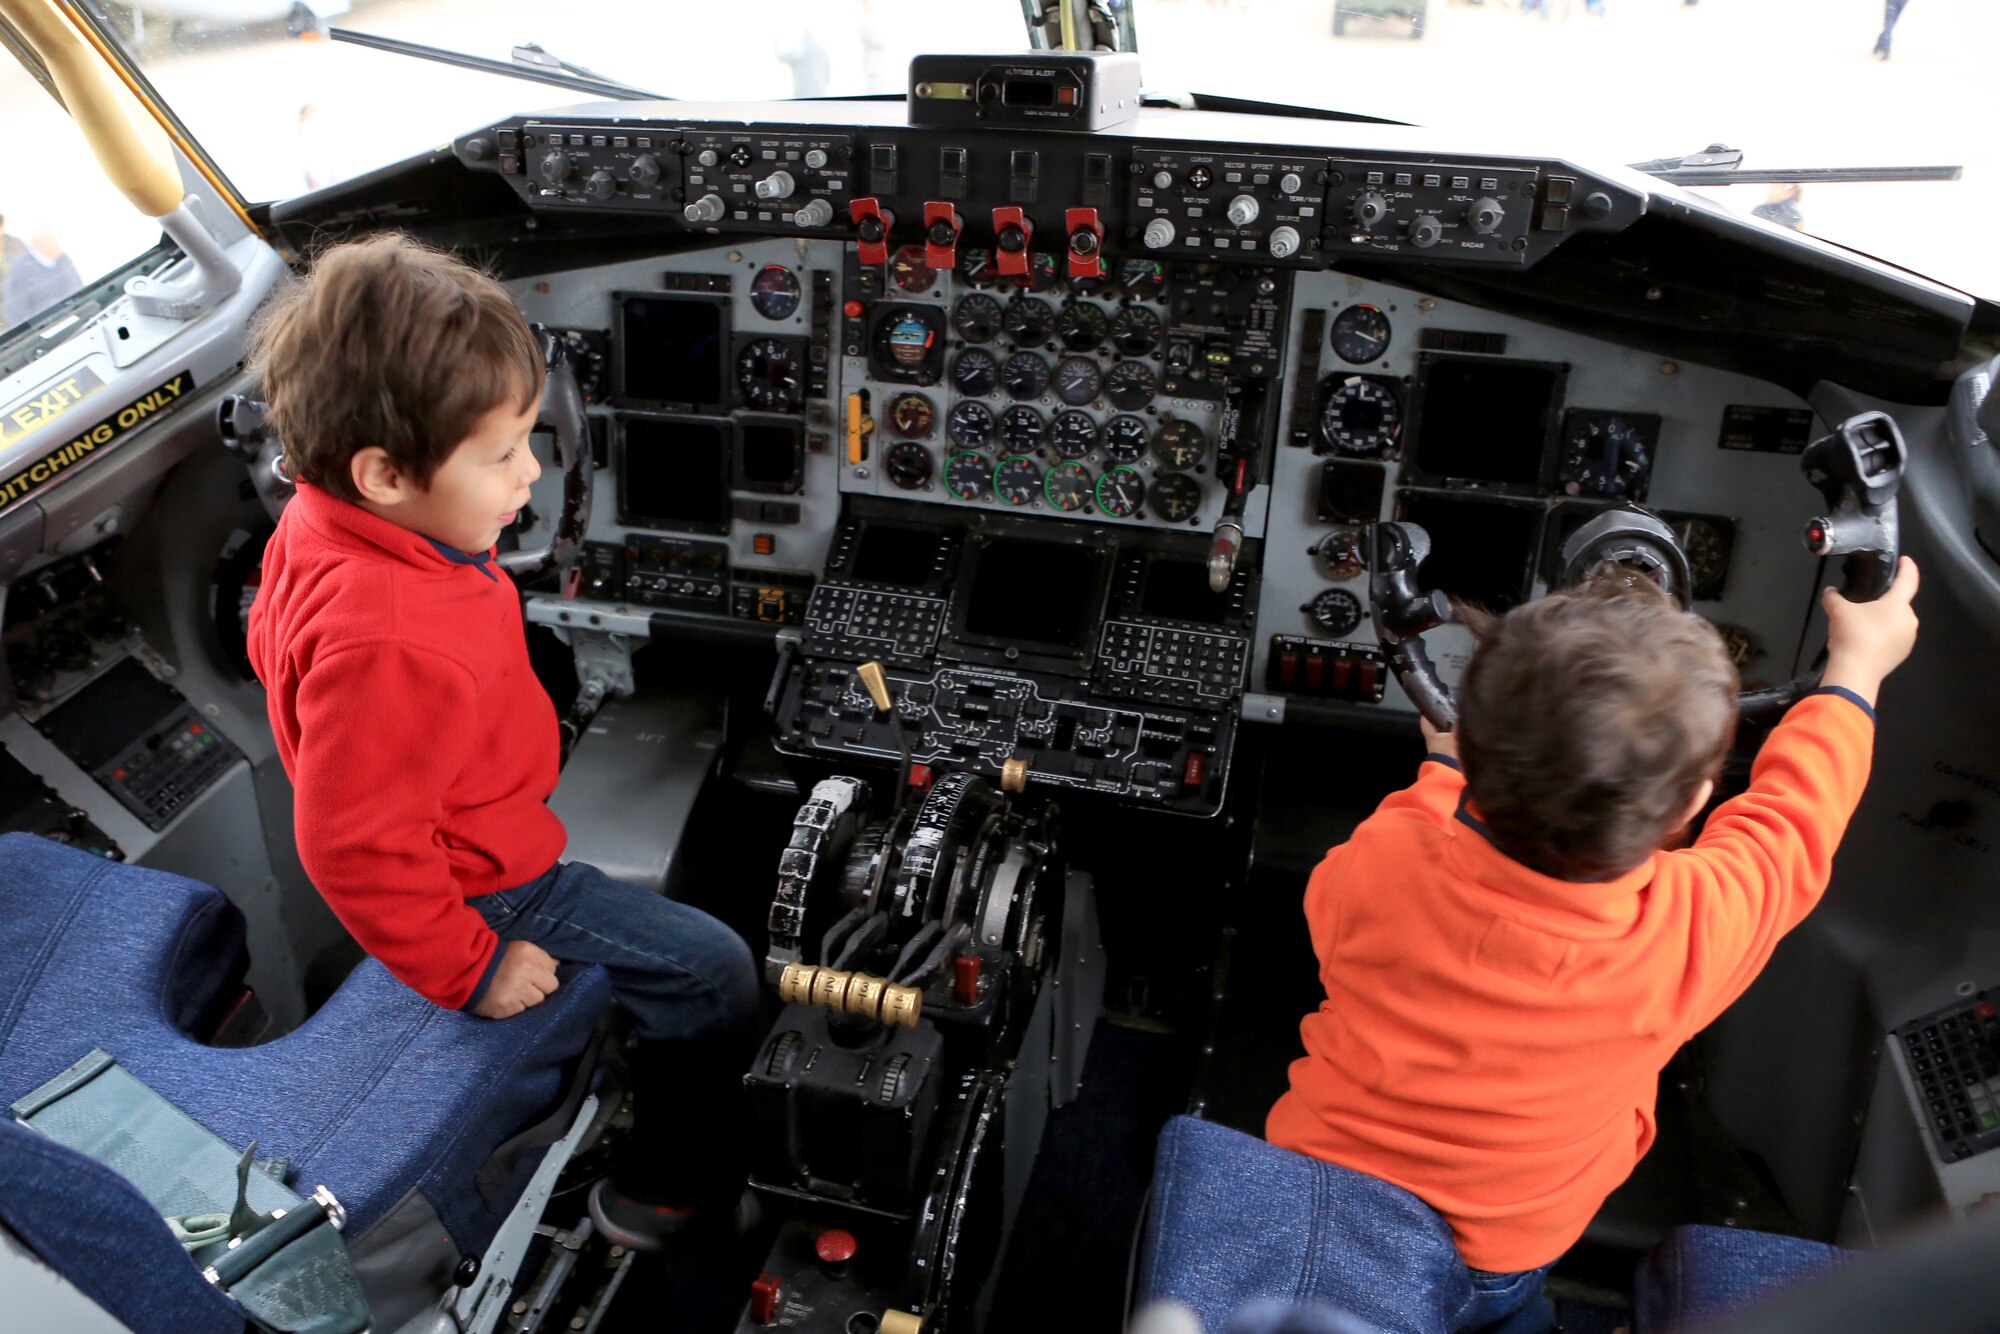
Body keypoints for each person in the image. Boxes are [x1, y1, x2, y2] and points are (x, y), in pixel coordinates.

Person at [244, 234, 760, 1251]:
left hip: (464, 807)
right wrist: (469, 965)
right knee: (714, 970)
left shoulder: (322, 517)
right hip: (488, 880)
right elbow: (351, 844)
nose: (533, 469)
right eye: (500, 454)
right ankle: (663, 1189)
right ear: (385, 471)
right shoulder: (389, 639)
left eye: (529, 437)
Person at [1267, 559, 1921, 1331]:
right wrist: (1854, 670)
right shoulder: (1689, 930)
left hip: (1310, 1192)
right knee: (1504, 1311)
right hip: (1505, 1245)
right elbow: (1796, 817)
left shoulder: (1388, 859)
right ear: (1696, 801)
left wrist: (1446, 768)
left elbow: (1357, 887)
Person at [2, 223, 83, 330]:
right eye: (51, 240)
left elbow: (79, 291)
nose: (56, 243)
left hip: (78, 320)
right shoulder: (21, 270)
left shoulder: (63, 260)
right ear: (37, 244)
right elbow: (16, 313)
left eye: (55, 239)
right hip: (47, 331)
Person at [776, 28, 831, 98]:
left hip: (804, 96)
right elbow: (828, 78)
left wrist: (775, 44)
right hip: (819, 94)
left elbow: (782, 57)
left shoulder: (802, 50)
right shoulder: (822, 51)